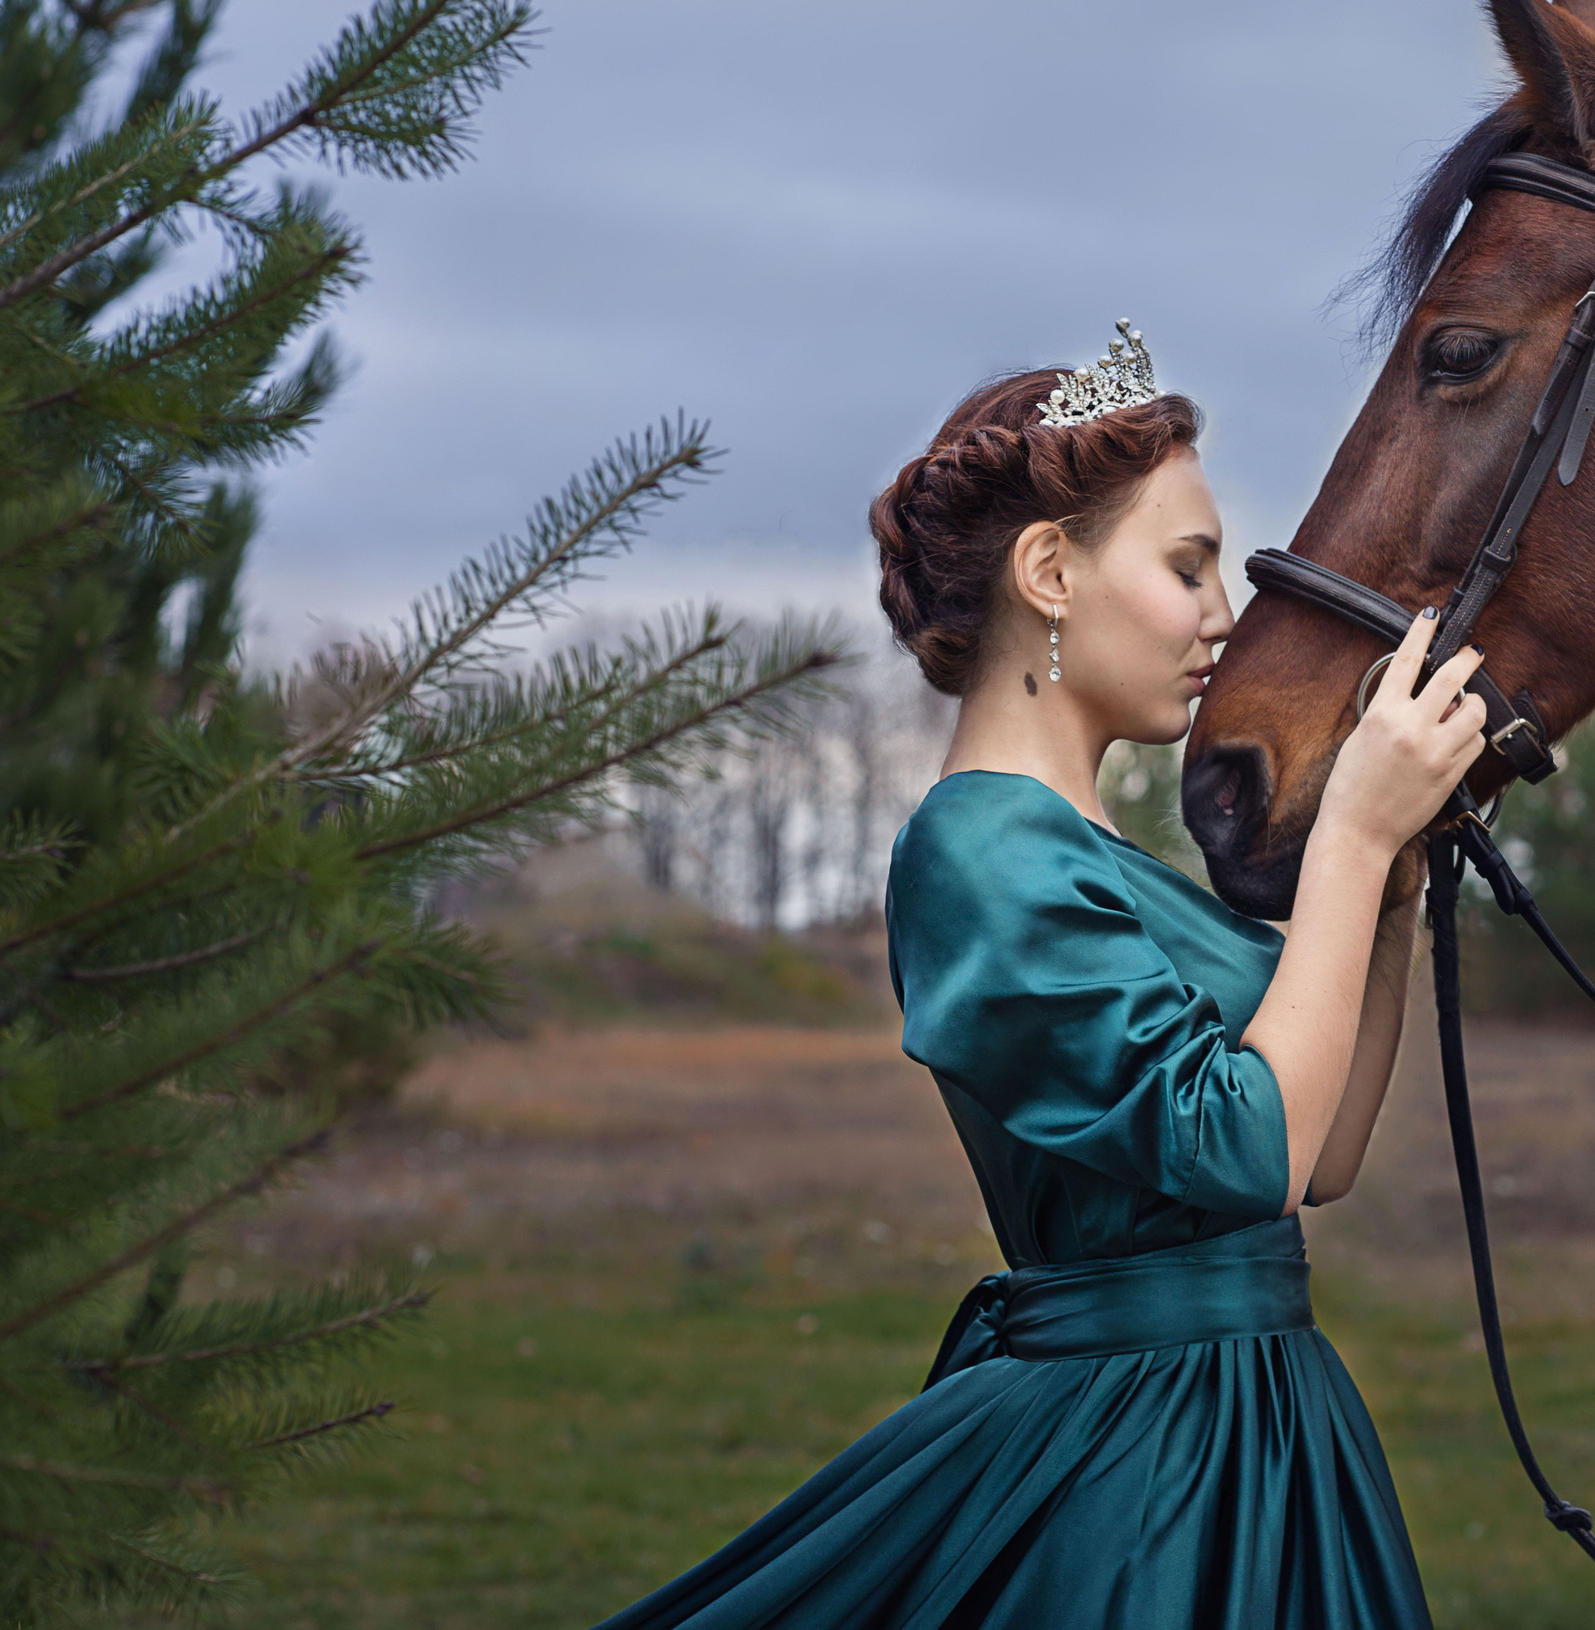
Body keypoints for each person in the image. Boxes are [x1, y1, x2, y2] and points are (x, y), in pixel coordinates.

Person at [595, 328, 1487, 1629]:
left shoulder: (1098, 859)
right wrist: (1345, 836)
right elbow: (1252, 1151)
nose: (1222, 617)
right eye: (1187, 568)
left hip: (1266, 1419)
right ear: (1051, 570)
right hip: (1140, 1464)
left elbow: (1326, 1150)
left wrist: (1393, 883)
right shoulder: (977, 849)